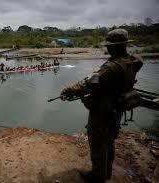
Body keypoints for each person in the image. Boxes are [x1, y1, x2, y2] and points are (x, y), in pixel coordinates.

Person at [60, 29, 143, 183]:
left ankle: (97, 176)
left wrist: (69, 90)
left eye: (110, 46)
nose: (107, 48)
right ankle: (106, 172)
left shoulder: (111, 68)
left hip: (103, 110)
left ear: (115, 46)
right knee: (109, 141)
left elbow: (88, 84)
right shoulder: (134, 61)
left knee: (98, 142)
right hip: (118, 108)